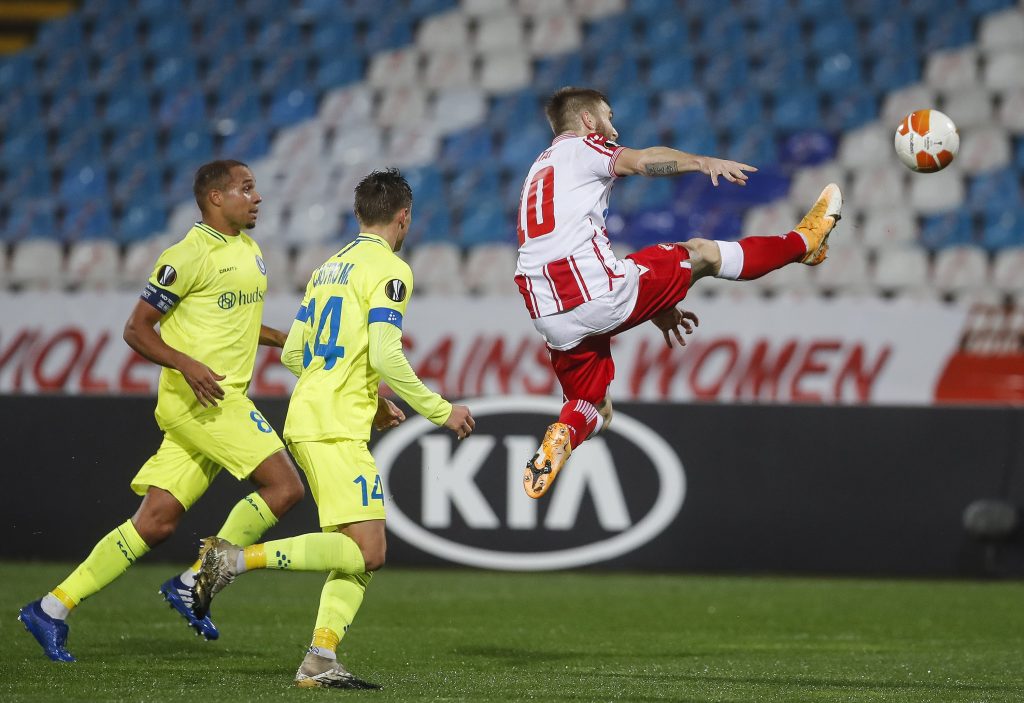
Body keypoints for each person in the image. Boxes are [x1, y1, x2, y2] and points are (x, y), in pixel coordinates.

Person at [189, 168, 475, 689]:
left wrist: (368, 404)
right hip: (336, 425)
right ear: (404, 216)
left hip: (313, 414)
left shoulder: (327, 268)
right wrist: (441, 410)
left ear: (359, 214)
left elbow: (296, 353)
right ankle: (233, 558)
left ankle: (320, 658)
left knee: (355, 553)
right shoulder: (390, 270)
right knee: (371, 551)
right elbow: (387, 355)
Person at [18, 160, 307, 661]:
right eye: (246, 188)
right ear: (215, 198)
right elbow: (137, 329)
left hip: (210, 401)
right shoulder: (187, 255)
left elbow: (233, 320)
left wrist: (280, 339)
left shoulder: (249, 250)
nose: (256, 197)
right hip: (205, 399)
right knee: (285, 487)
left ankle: (51, 607)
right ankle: (198, 580)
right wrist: (187, 365)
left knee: (155, 522)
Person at [516, 87, 842, 499]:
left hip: (549, 313)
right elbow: (643, 161)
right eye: (608, 117)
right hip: (594, 292)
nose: (614, 128)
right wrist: (701, 162)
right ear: (588, 121)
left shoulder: (537, 171)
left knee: (596, 409)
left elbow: (569, 246)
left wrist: (657, 303)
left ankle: (564, 433)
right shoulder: (584, 147)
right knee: (701, 253)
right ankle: (804, 243)